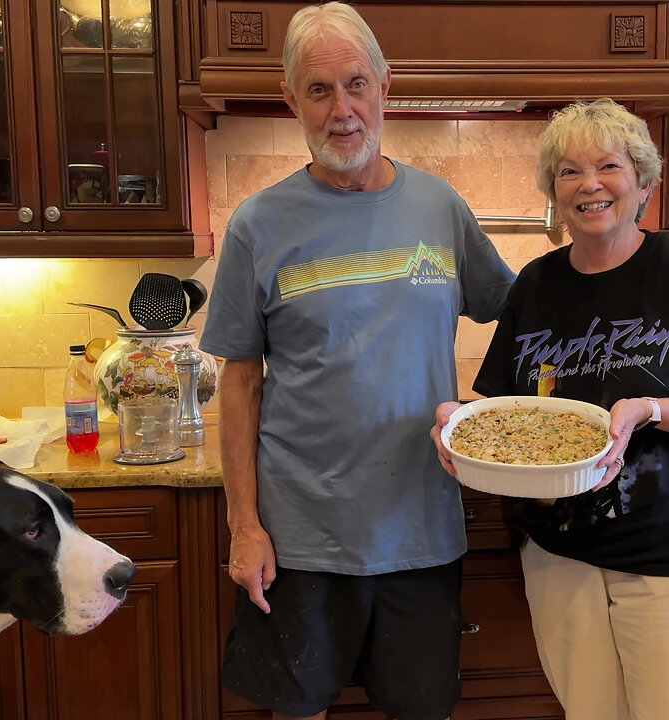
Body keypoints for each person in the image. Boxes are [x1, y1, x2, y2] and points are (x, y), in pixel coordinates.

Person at [200, 4, 515, 720]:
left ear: (385, 86)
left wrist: (500, 414)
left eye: (355, 84)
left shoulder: (441, 208)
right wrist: (244, 527)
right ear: (293, 103)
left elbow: (519, 314)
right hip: (300, 536)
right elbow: (240, 384)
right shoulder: (257, 225)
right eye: (319, 90)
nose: (342, 109)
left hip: (422, 529)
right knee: (298, 709)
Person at [431, 98, 669, 720]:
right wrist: (459, 423)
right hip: (560, 552)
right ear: (554, 194)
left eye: (608, 166)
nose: (589, 186)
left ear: (641, 182)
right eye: (567, 172)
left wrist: (649, 410)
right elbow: (504, 411)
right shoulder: (536, 283)